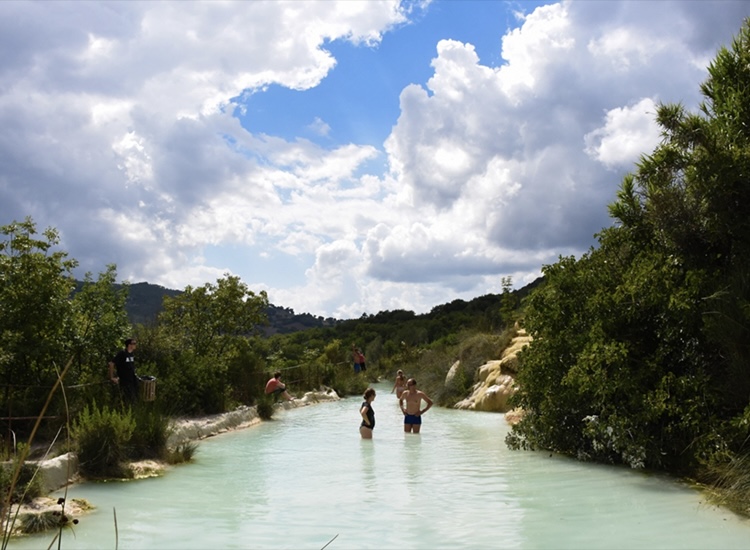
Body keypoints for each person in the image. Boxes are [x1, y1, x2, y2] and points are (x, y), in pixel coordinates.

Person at [109, 338, 139, 403]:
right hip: (125, 380)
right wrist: (112, 377)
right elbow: (111, 364)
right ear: (129, 345)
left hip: (132, 379)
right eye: (133, 343)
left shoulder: (131, 354)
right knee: (127, 399)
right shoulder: (122, 353)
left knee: (135, 397)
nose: (135, 345)